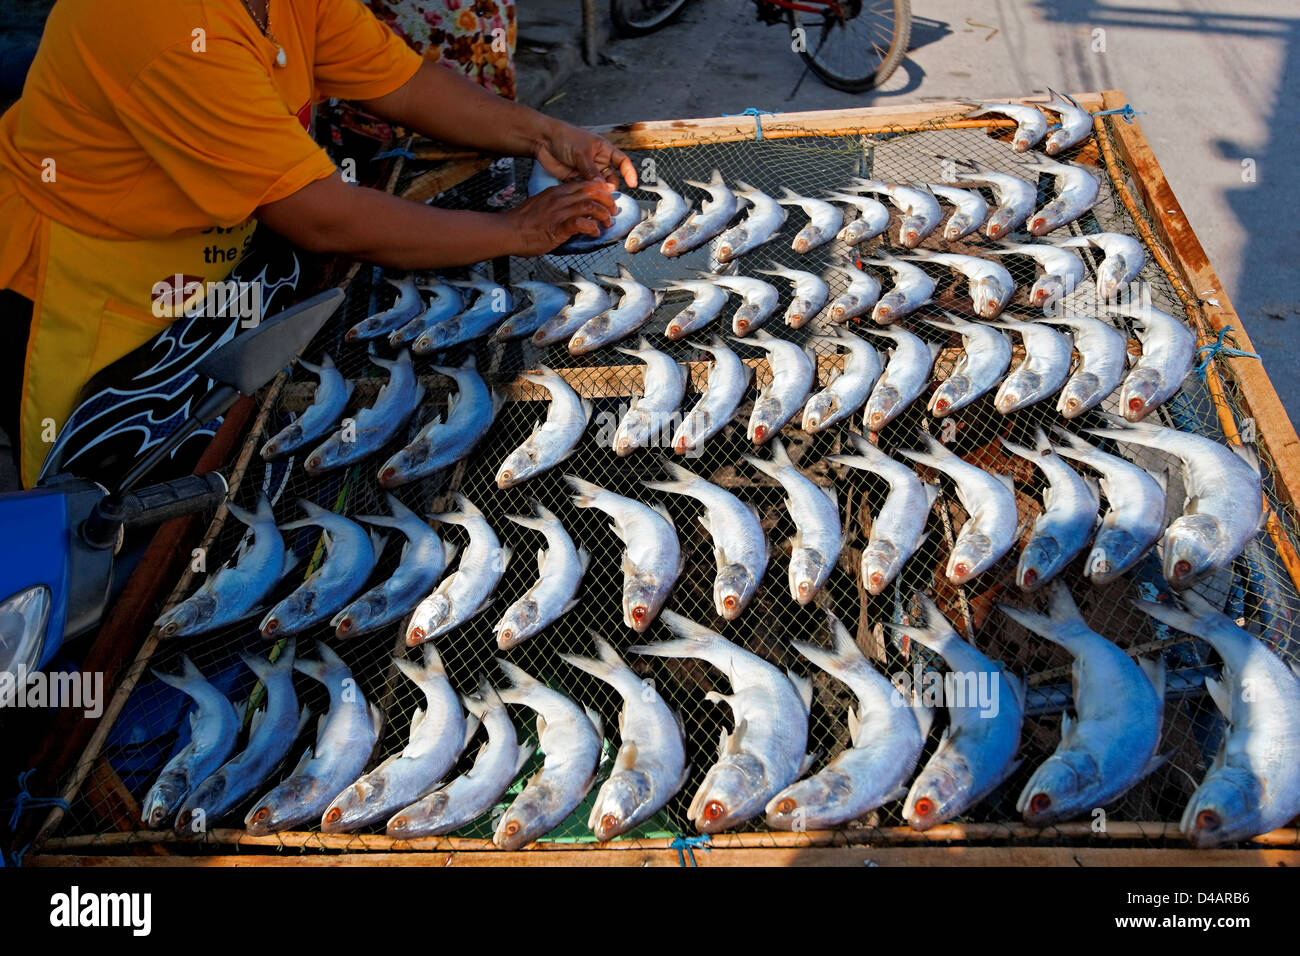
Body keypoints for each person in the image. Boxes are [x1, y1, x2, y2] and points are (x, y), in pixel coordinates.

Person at [0, 0, 633, 489]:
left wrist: (544, 135)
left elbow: (403, 83)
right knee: (110, 500)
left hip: (216, 259)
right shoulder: (160, 22)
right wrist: (516, 230)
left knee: (215, 452)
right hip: (91, 284)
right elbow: (323, 219)